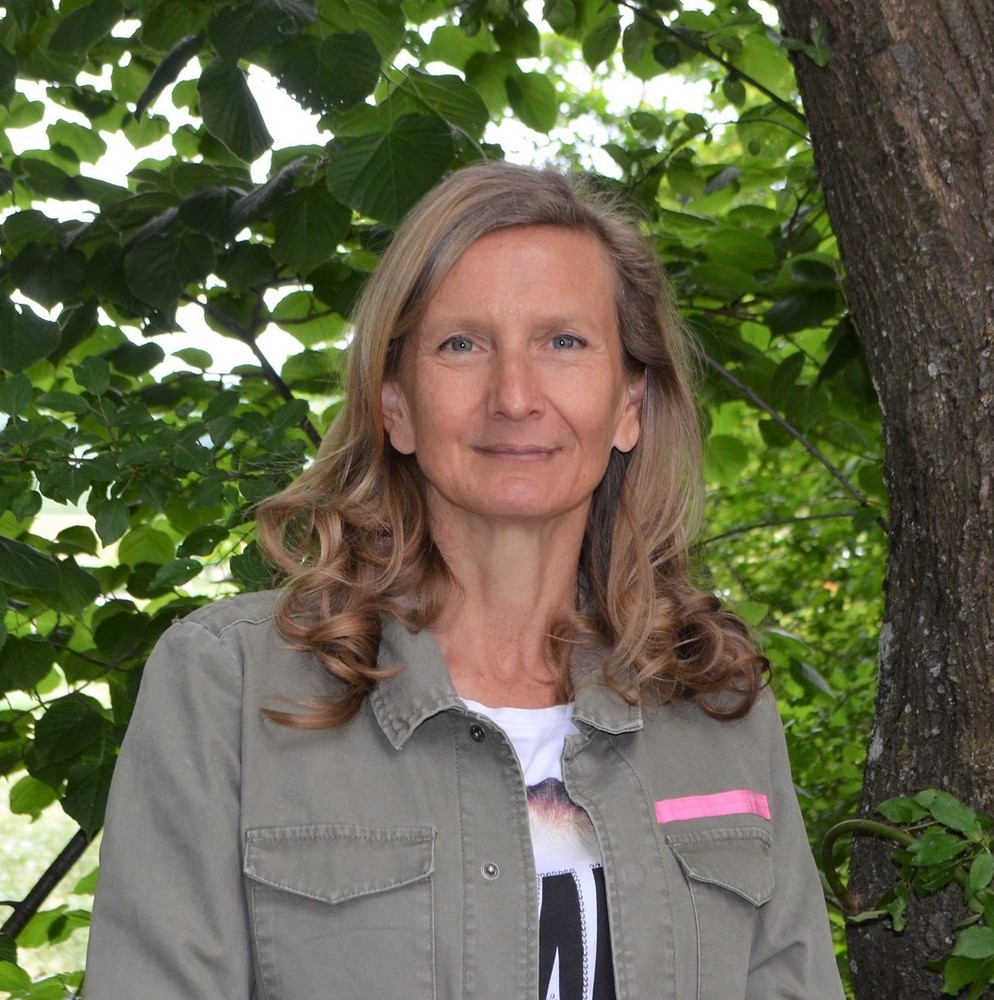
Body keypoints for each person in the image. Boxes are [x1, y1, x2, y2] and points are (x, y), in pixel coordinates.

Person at [84, 161, 844, 999]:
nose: (514, 397)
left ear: (630, 403)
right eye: (461, 345)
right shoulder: (231, 687)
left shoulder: (715, 703)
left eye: (563, 342)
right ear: (396, 406)